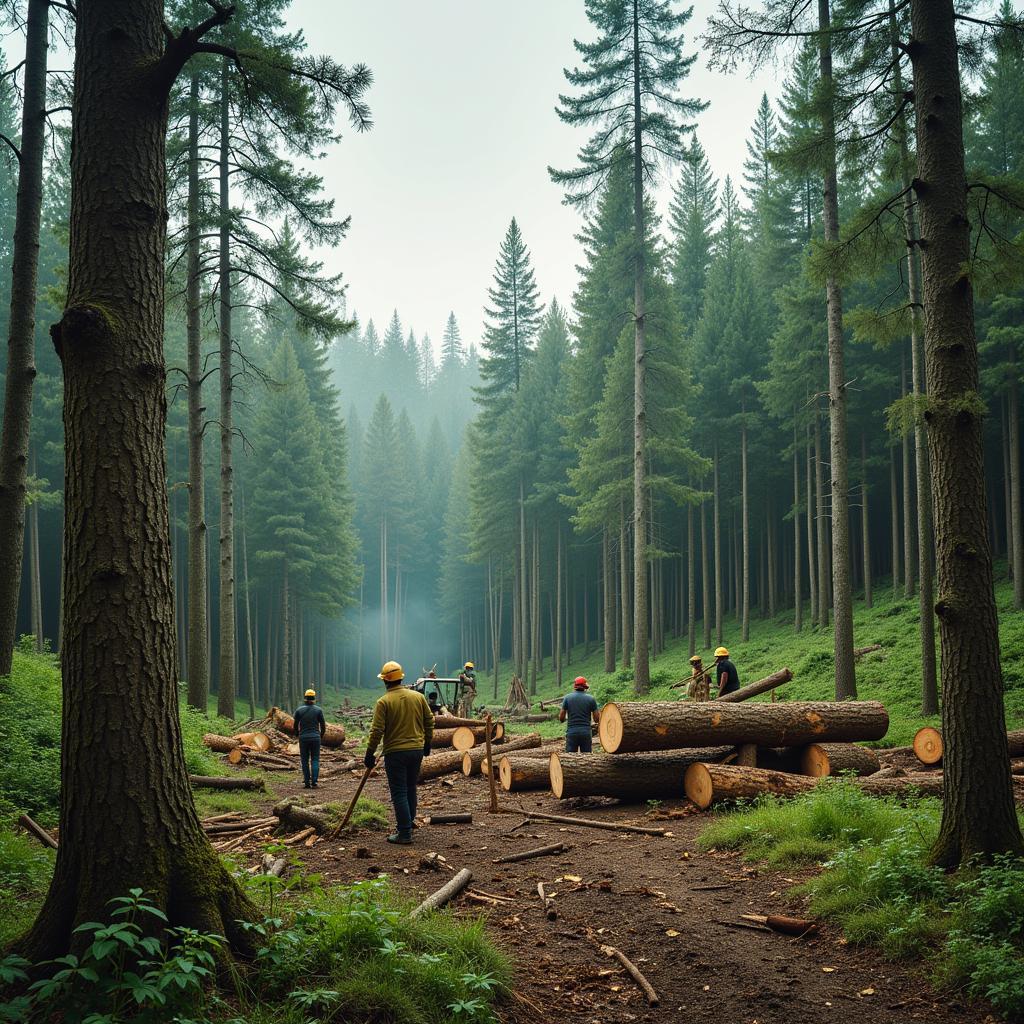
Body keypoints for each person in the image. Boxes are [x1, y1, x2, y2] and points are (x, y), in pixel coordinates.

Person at [364, 660, 434, 845]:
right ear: (401, 678)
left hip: (395, 753)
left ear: (385, 681)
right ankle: (408, 824)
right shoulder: (418, 697)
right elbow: (429, 721)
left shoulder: (383, 702)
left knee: (399, 792)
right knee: (411, 787)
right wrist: (427, 742)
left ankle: (404, 833)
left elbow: (377, 730)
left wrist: (369, 753)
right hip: (416, 751)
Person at [293, 688, 326, 789]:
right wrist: (320, 735)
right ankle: (314, 782)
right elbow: (323, 726)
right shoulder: (318, 710)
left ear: (305, 698)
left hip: (303, 738)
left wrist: (298, 734)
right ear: (314, 698)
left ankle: (307, 782)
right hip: (315, 737)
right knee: (315, 759)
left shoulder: (299, 710)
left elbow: (295, 725)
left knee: (304, 760)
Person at [559, 676, 600, 753]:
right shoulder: (591, 699)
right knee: (586, 758)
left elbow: (561, 718)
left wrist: (565, 719)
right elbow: (597, 719)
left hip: (572, 732)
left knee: (570, 758)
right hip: (585, 732)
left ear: (575, 686)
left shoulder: (567, 698)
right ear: (585, 686)